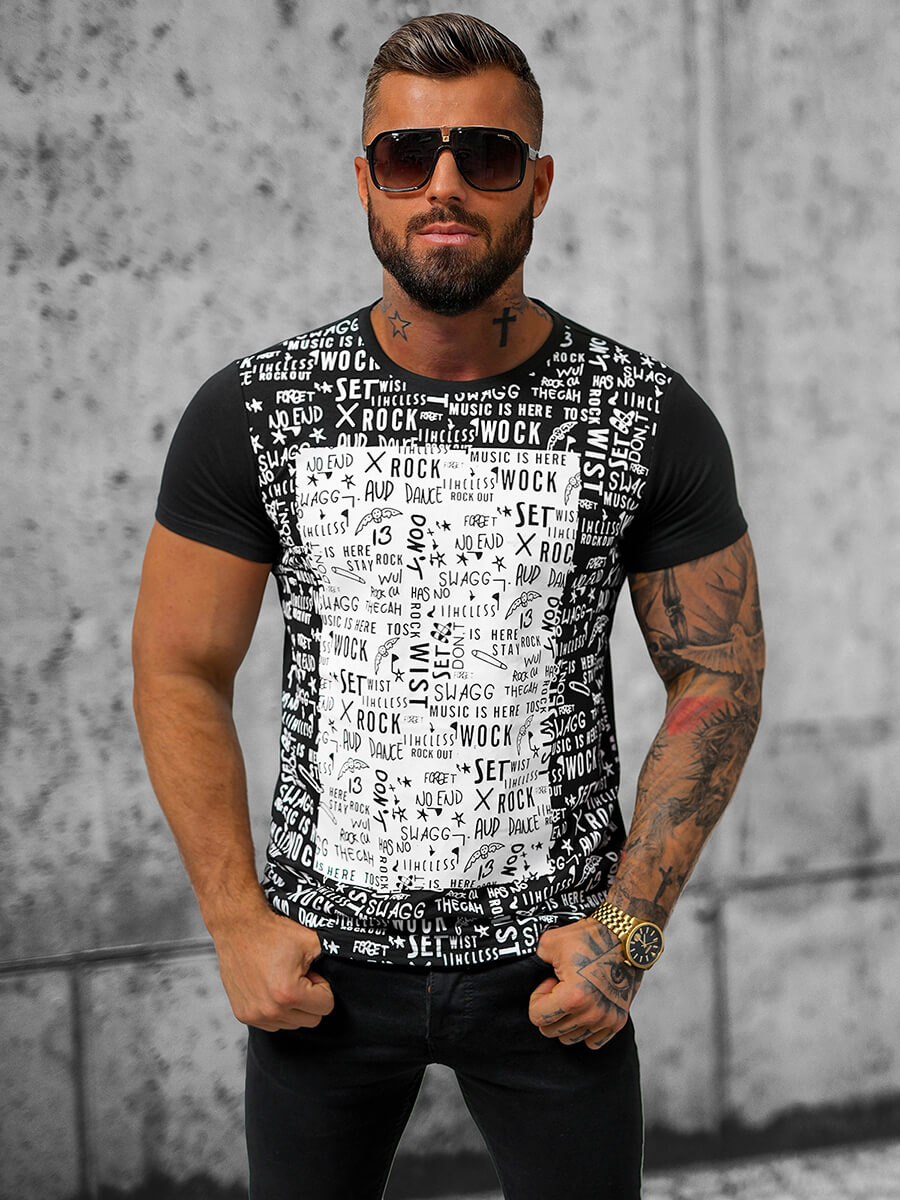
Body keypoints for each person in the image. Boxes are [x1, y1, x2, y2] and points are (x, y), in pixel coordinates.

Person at [132, 12, 764, 1200]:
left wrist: (628, 933)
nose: (444, 184)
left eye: (487, 153)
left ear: (539, 182)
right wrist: (235, 921)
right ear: (363, 178)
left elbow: (719, 669)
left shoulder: (641, 413)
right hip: (320, 974)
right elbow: (178, 666)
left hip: (554, 974)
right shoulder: (259, 409)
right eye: (405, 154)